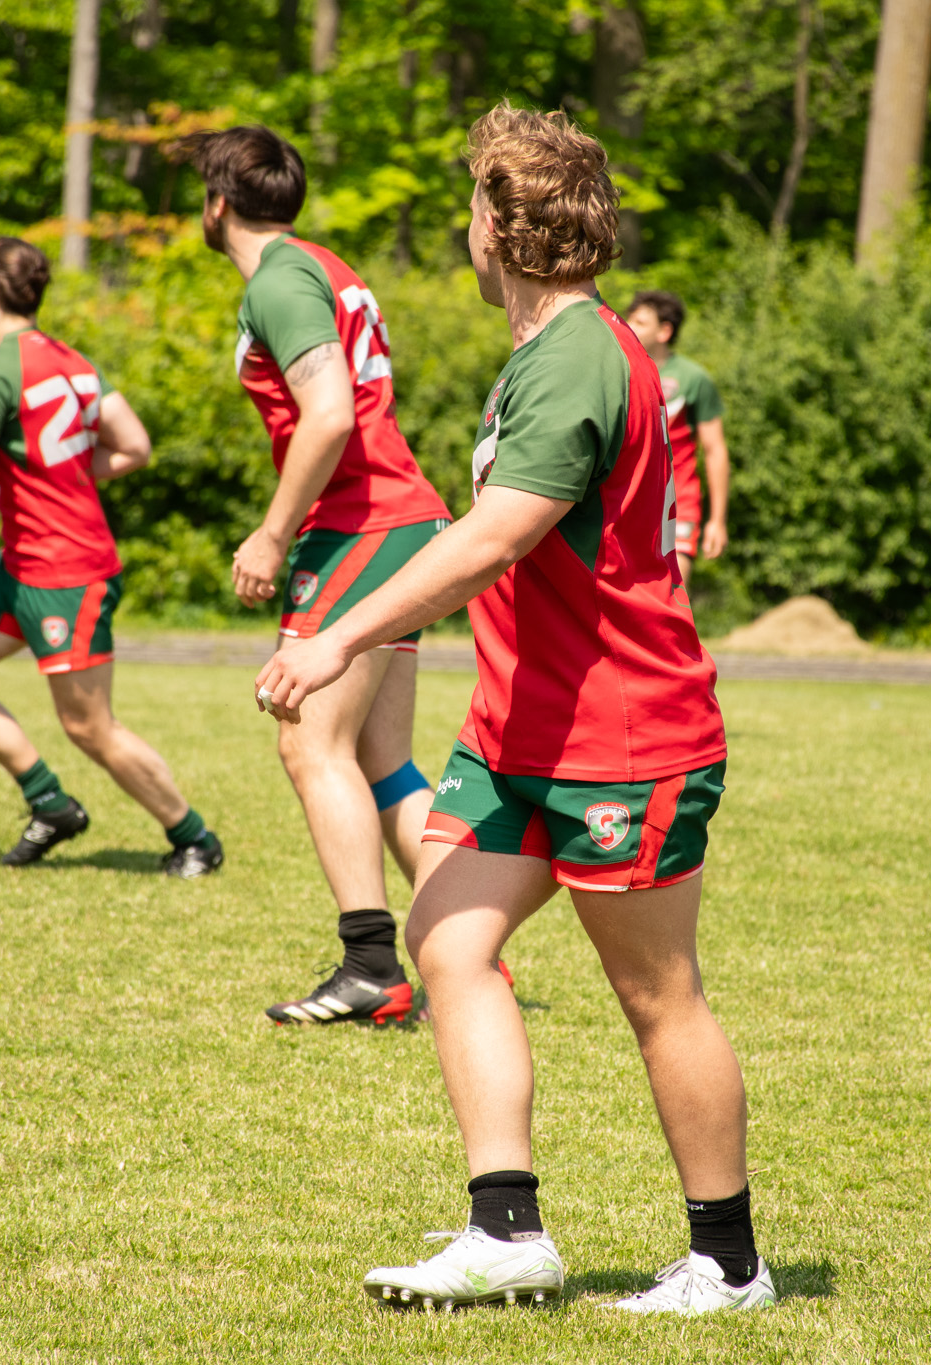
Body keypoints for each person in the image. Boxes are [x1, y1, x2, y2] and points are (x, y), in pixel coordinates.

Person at [252, 104, 773, 1315]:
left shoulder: (582, 353)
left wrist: (338, 634)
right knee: (445, 940)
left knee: (656, 995)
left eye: (471, 205)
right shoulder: (545, 351)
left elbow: (496, 537)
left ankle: (728, 1262)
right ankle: (506, 1232)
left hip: (619, 739)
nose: (463, 226)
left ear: (503, 224)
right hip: (518, 731)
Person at [182, 125, 456, 1027]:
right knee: (379, 759)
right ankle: (464, 946)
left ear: (218, 204)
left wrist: (270, 533)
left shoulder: (280, 278)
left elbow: (331, 413)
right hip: (399, 520)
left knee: (306, 737)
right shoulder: (319, 263)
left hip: (362, 525)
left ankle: (372, 964)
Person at [0, 237, 225, 874]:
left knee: (89, 727)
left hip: (65, 571)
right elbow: (133, 447)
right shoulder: (75, 363)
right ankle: (50, 803)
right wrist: (50, 474)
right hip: (22, 560)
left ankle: (194, 839)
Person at [622, 290, 730, 585]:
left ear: (664, 331)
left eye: (641, 322)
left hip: (678, 502)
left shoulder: (693, 378)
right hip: (628, 503)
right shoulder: (619, 371)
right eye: (629, 319)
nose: (629, 326)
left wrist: (717, 521)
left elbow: (715, 450)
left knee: (673, 591)